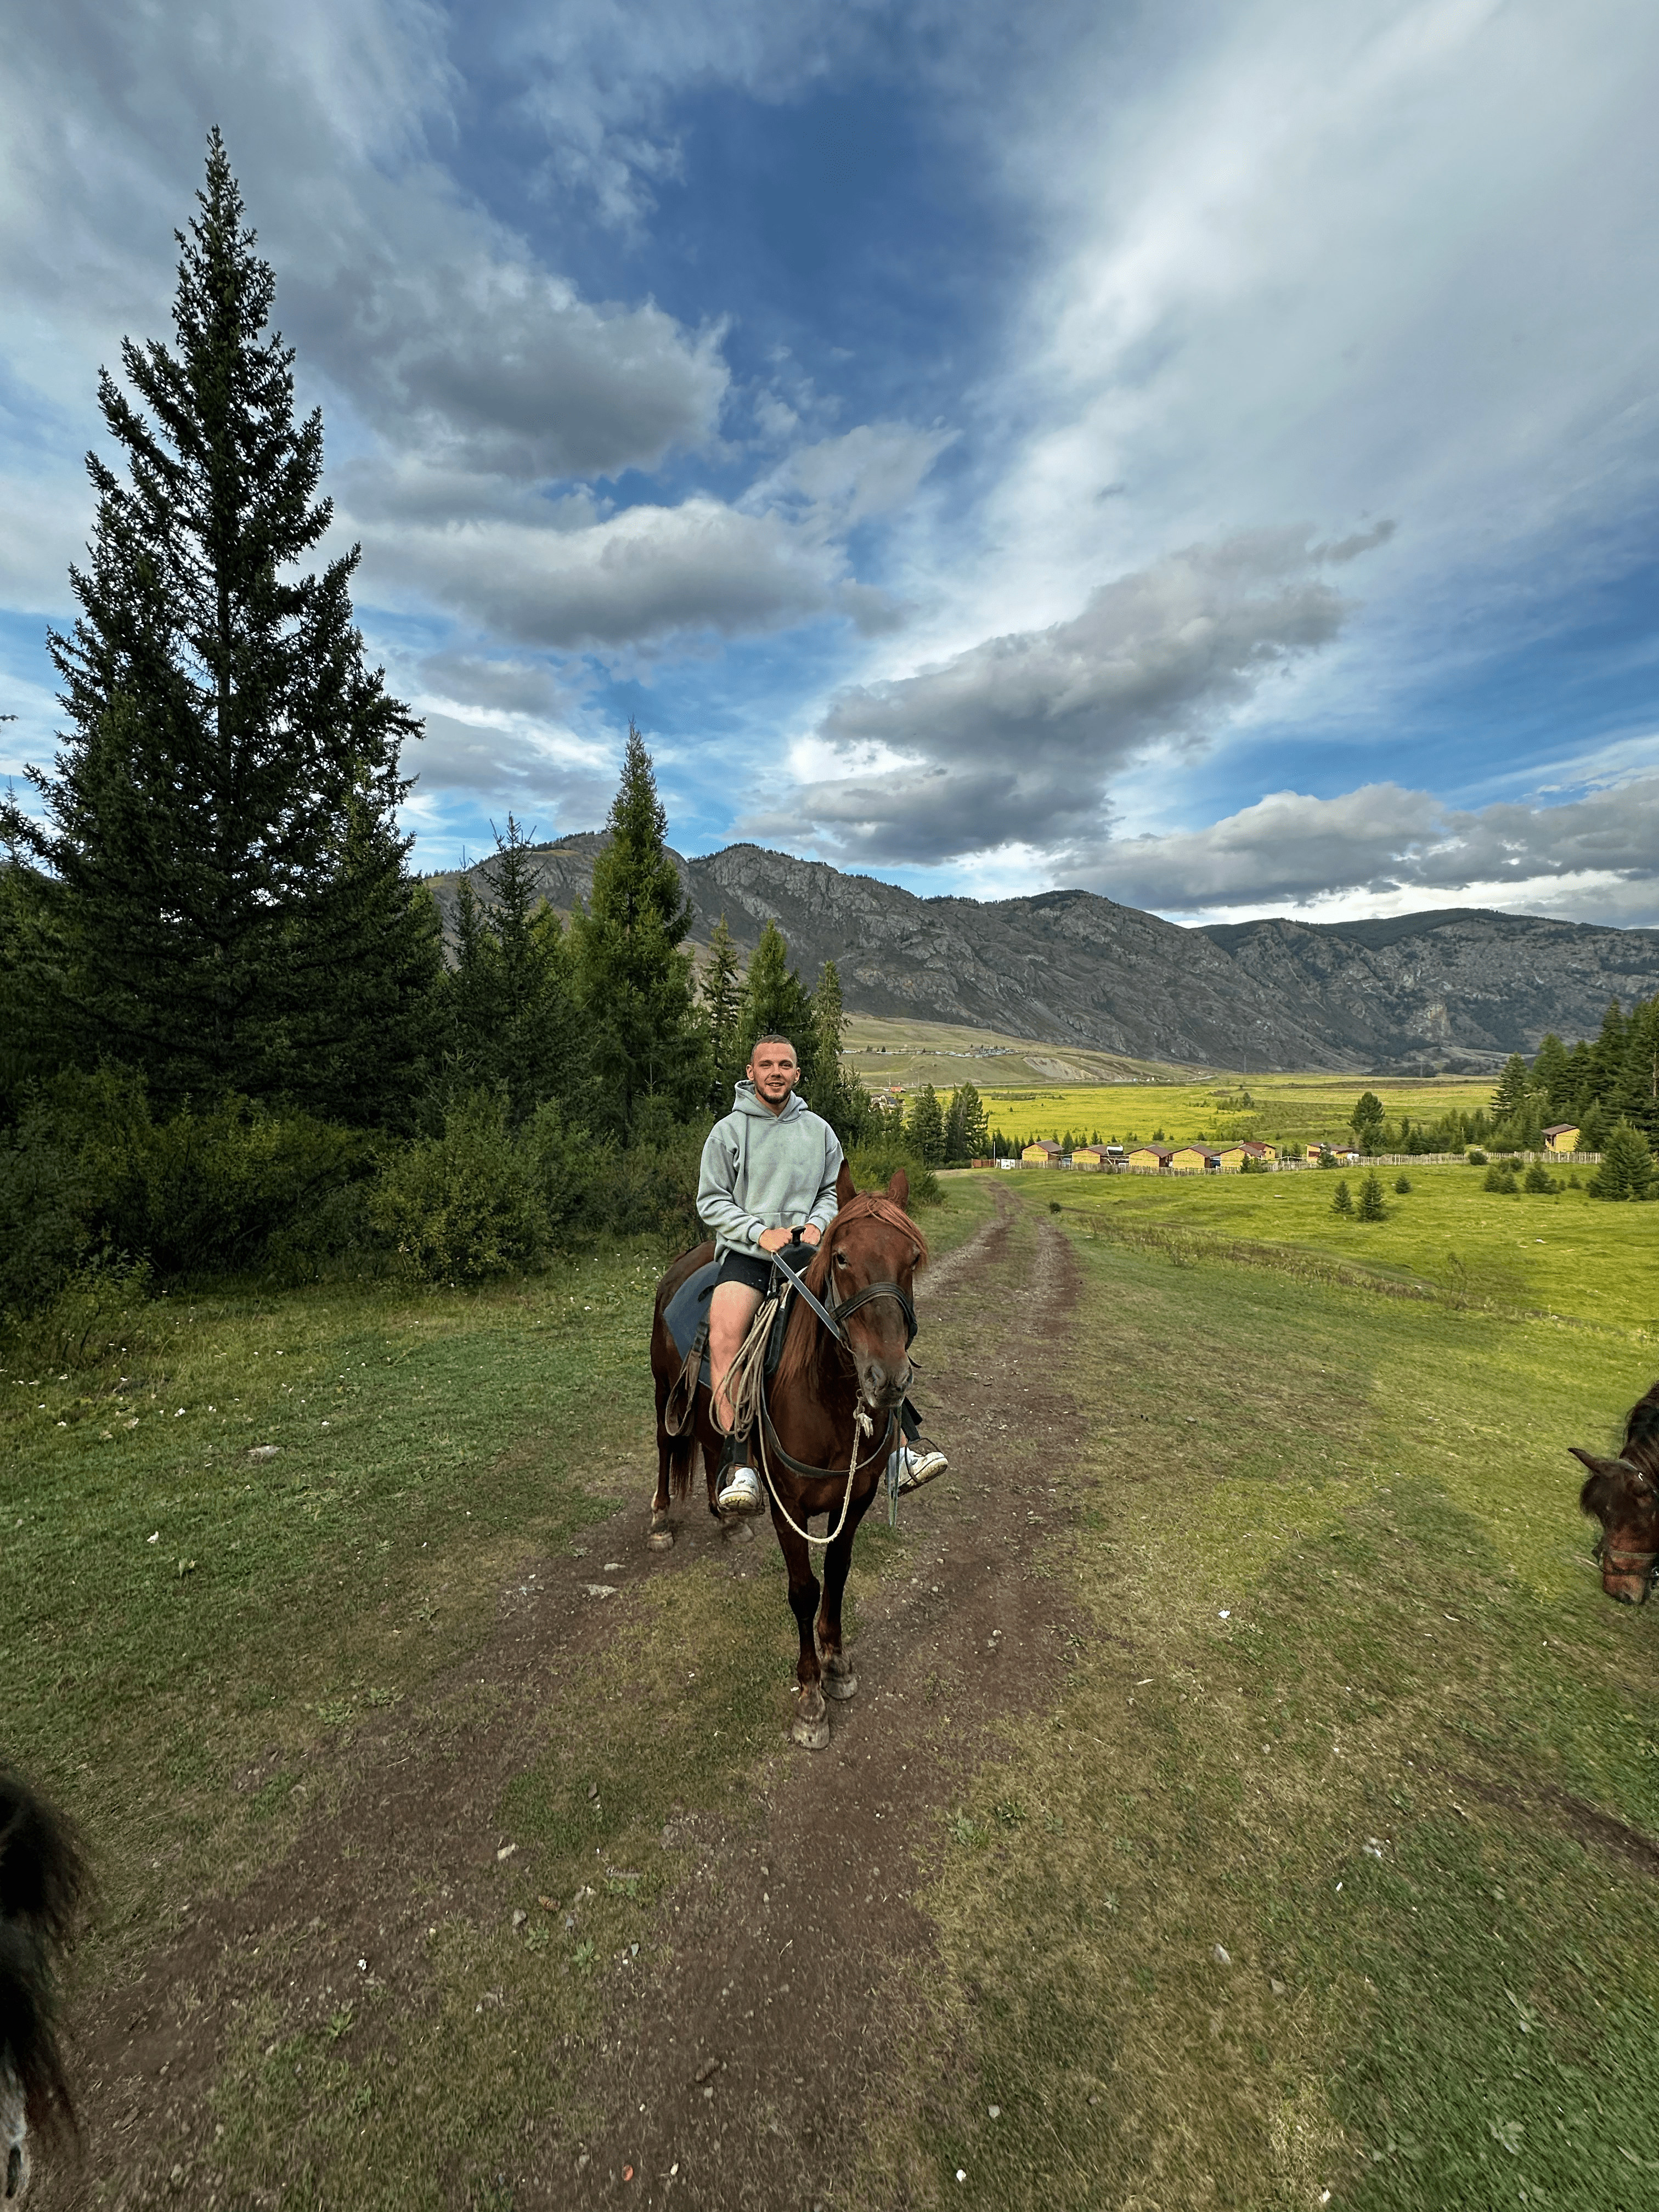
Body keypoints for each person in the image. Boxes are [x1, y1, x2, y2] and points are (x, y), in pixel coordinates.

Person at [696, 1034, 946, 1514]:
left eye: (784, 1065)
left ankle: (898, 1449)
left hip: (810, 1252)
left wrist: (817, 1224)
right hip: (749, 1254)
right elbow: (711, 1200)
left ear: (797, 1074)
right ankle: (739, 1462)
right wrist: (759, 1233)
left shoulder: (820, 1131)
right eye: (766, 1065)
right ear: (751, 1073)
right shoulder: (727, 1132)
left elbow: (834, 1193)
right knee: (726, 1336)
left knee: (863, 1325)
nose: (775, 1072)